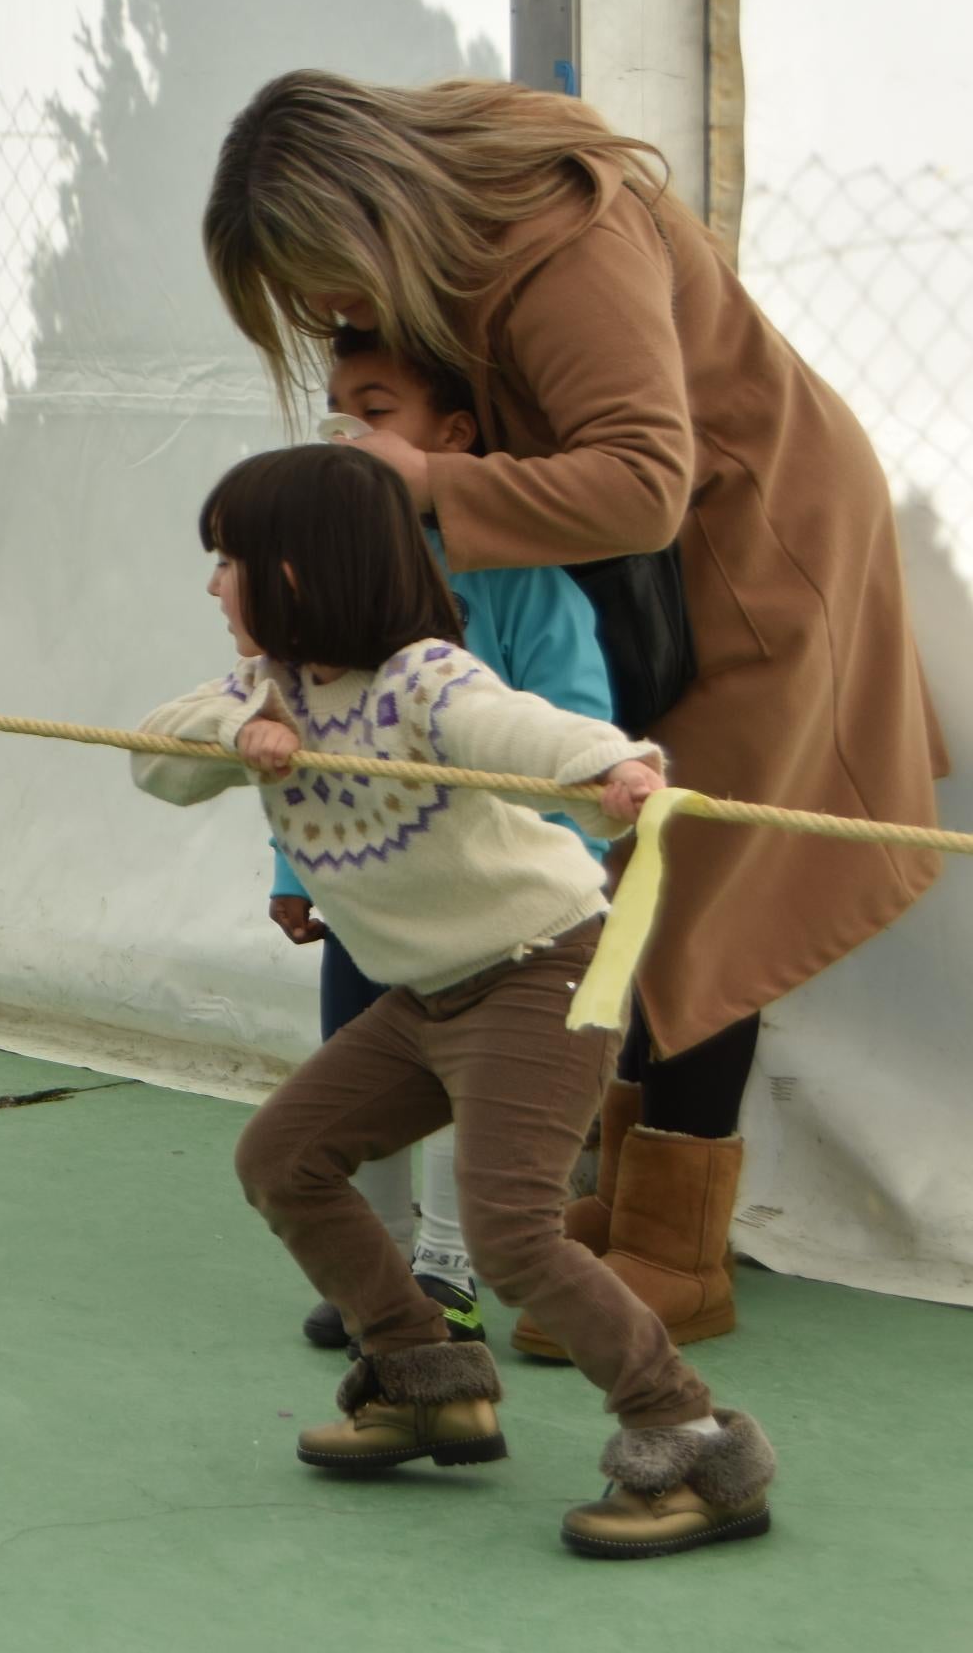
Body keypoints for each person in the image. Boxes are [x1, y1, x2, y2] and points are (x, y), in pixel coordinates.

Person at [204, 71, 947, 1348]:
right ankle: (621, 1209)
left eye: (323, 274)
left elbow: (648, 484)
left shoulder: (559, 239)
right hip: (656, 580)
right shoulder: (477, 232)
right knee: (621, 882)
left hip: (759, 553)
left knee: (706, 884)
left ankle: (678, 1247)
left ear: (369, 209)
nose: (328, 312)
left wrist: (419, 479)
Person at [138, 443, 774, 1561]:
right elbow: (155, 754)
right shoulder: (264, 692)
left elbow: (519, 729)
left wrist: (613, 765)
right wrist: (240, 736)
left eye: (226, 558)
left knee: (511, 1231)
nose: (211, 585)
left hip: (543, 967)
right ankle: (427, 1380)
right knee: (282, 1158)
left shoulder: (423, 679)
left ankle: (695, 1441)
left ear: (298, 571)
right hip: (430, 992)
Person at [274, 329, 619, 1352]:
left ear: (453, 436)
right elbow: (296, 747)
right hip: (371, 902)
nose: (346, 431)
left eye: (374, 411)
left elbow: (570, 722)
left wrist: (549, 860)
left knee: (474, 1092)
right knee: (352, 1072)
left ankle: (448, 1269)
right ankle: (368, 1272)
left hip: (497, 922)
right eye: (333, 409)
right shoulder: (331, 587)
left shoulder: (522, 581)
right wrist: (293, 869)